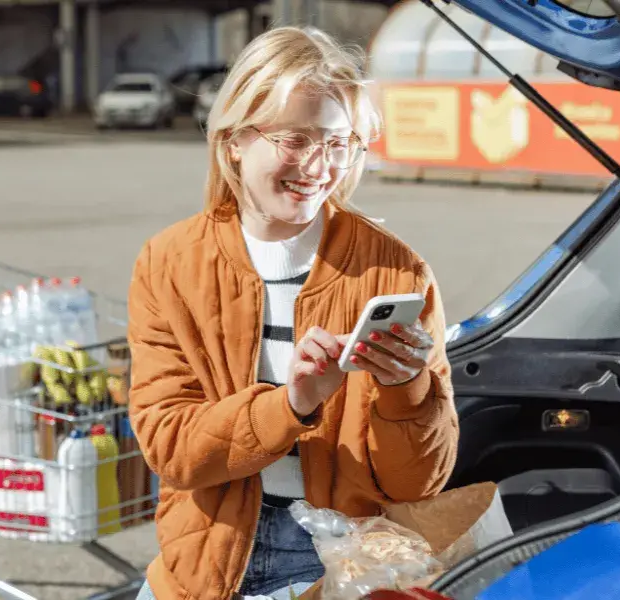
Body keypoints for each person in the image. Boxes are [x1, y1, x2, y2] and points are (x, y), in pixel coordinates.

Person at [126, 26, 459, 600]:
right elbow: (171, 449)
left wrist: (407, 388)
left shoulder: (397, 273)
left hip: (339, 560)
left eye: (337, 143)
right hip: (202, 557)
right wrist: (293, 403)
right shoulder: (170, 263)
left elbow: (420, 481)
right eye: (294, 139)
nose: (318, 166)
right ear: (233, 139)